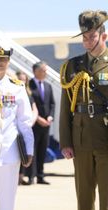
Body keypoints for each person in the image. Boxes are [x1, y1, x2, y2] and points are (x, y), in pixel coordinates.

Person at [59, 10, 108, 210]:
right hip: (81, 140)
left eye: (92, 37)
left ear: (103, 36)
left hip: (105, 138)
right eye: (84, 38)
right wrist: (65, 142)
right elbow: (65, 107)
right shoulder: (72, 66)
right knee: (84, 198)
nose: (87, 42)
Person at [0, 39, 34, 210]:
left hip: (9, 152)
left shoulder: (17, 87)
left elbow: (24, 121)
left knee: (7, 203)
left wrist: (28, 149)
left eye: (3, 59)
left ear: (9, 61)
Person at [27, 61, 55, 185]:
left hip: (46, 124)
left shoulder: (48, 86)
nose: (46, 73)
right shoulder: (29, 85)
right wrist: (38, 118)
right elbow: (29, 104)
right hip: (34, 124)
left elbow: (52, 104)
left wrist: (50, 117)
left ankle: (40, 175)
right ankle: (31, 176)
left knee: (43, 150)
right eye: (43, 70)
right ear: (36, 71)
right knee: (33, 151)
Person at [16, 71, 39, 186]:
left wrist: (32, 121)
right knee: (19, 152)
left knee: (29, 153)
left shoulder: (29, 94)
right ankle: (19, 177)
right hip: (18, 130)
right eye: (20, 79)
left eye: (24, 79)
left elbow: (35, 109)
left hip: (28, 127)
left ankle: (30, 176)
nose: (22, 81)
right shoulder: (15, 92)